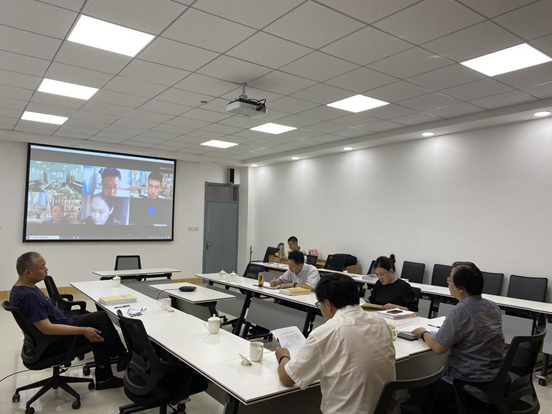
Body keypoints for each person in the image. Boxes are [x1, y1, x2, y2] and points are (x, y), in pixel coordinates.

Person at [275, 273, 396, 413]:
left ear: (328, 304)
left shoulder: (326, 332)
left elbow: (287, 378)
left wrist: (283, 357)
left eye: (319, 304)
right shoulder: (380, 323)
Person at [9, 252, 129, 389]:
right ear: (28, 272)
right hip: (55, 340)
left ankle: (121, 355)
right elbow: (47, 329)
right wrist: (83, 331)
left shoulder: (24, 288)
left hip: (61, 324)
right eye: (42, 267)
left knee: (101, 316)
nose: (46, 269)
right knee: (98, 333)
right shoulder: (28, 296)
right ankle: (105, 378)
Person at [411, 262, 505, 410]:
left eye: (450, 280)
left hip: (468, 386)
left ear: (462, 288)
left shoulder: (461, 311)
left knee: (414, 387)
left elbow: (439, 347)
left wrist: (422, 333)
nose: (448, 283)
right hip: (495, 382)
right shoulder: (493, 307)